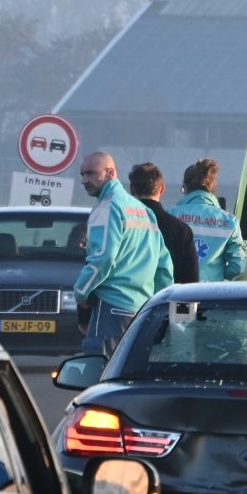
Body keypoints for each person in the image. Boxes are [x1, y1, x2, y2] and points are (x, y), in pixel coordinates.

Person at [75, 151, 173, 357]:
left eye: (91, 173)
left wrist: (81, 291)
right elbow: (163, 265)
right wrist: (157, 304)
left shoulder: (106, 207)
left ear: (111, 172)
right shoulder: (142, 210)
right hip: (141, 311)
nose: (84, 180)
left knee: (101, 373)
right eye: (82, 174)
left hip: (112, 308)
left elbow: (103, 257)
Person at [173, 158, 247, 281]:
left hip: (178, 291)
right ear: (212, 187)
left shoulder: (171, 215)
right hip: (211, 293)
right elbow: (238, 266)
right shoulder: (229, 221)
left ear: (185, 188)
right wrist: (217, 277)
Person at [129, 162, 200, 285]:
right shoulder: (182, 230)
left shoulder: (123, 223)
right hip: (168, 300)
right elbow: (191, 280)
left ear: (132, 189)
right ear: (162, 188)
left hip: (127, 299)